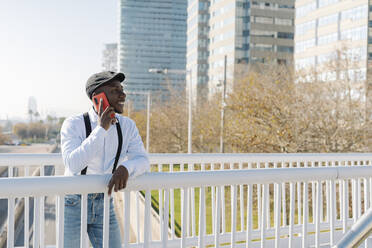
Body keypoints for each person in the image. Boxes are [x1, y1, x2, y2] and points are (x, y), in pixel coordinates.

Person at [60, 71, 150, 247]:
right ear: (97, 97)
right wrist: (101, 129)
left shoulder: (127, 126)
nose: (123, 95)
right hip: (73, 202)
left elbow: (143, 160)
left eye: (122, 89)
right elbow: (73, 164)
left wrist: (126, 168)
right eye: (115, 90)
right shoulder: (74, 124)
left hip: (105, 201)